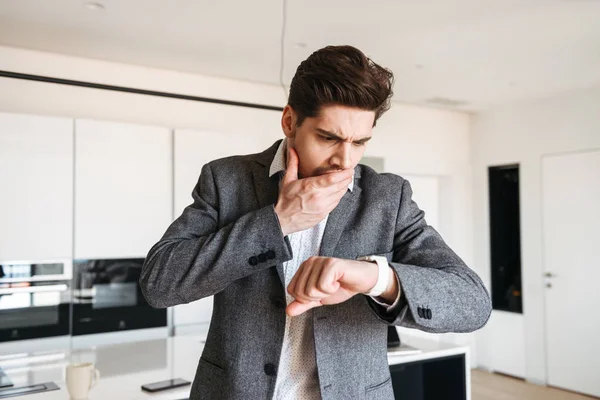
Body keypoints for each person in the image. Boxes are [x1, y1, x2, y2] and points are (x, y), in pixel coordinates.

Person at [140, 45, 491, 400]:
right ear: (290, 121)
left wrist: (374, 277)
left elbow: (472, 303)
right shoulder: (227, 179)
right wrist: (277, 222)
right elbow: (159, 283)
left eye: (360, 142)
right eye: (329, 138)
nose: (344, 159)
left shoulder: (388, 198)